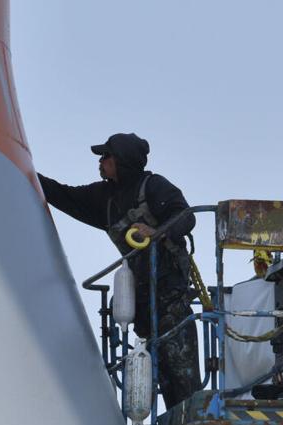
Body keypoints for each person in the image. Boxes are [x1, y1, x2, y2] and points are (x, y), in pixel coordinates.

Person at [38, 133, 201, 407]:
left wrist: (158, 231)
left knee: (180, 366)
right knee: (159, 368)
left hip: (170, 293)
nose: (100, 162)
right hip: (141, 296)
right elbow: (64, 195)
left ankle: (192, 414)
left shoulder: (153, 186)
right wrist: (25, 172)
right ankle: (176, 419)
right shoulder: (106, 198)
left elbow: (186, 216)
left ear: (122, 161)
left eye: (106, 156)